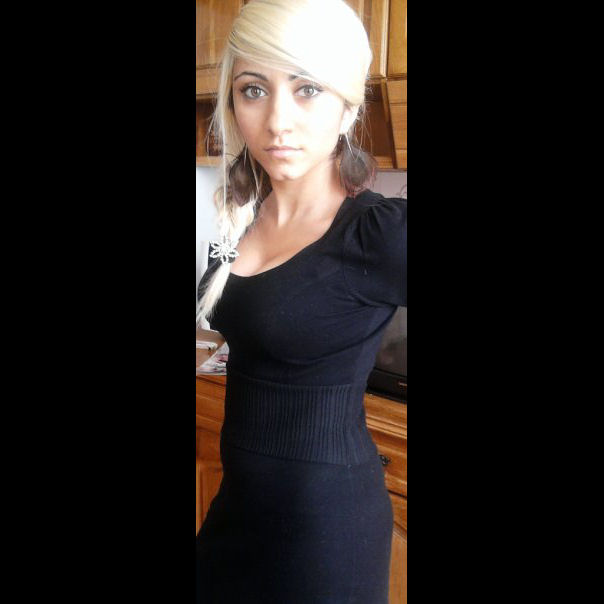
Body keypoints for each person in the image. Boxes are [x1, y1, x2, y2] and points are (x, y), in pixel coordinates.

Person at [196, 0, 406, 601]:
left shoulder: (378, 232)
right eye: (254, 89)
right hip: (236, 511)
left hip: (324, 534)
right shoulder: (240, 214)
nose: (277, 121)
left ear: (348, 106)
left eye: (307, 88)